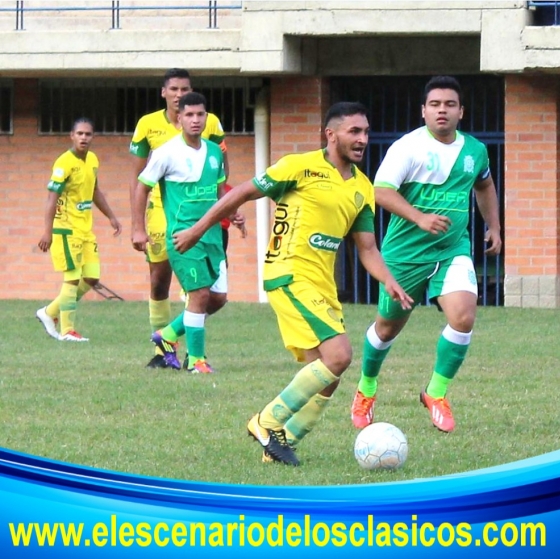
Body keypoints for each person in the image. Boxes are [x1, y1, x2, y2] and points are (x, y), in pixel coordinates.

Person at [172, 102, 412, 465]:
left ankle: (282, 446)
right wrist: (197, 229)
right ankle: (266, 423)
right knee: (340, 355)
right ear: (331, 135)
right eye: (354, 132)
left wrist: (389, 281)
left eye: (365, 132)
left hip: (321, 284)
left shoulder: (363, 188)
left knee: (327, 374)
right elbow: (240, 194)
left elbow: (367, 248)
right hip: (289, 272)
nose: (363, 139)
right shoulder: (299, 166)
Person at [350, 76, 502, 433]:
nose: (442, 111)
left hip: (453, 249)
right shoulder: (408, 148)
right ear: (423, 111)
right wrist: (419, 217)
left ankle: (436, 392)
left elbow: (484, 185)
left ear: (461, 111)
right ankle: (366, 388)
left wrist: (493, 225)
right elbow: (381, 191)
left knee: (463, 317)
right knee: (387, 328)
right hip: (405, 252)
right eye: (434, 105)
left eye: (449, 104)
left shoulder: (475, 151)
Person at [131, 92, 245, 374]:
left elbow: (219, 190)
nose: (195, 120)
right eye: (189, 115)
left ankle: (167, 334)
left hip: (213, 236)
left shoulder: (215, 152)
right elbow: (141, 187)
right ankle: (196, 361)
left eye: (200, 115)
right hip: (183, 237)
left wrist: (232, 212)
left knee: (218, 299)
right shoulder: (166, 152)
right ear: (179, 118)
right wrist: (138, 229)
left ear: (206, 118)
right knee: (199, 295)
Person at [36, 118, 122, 342]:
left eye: (88, 134)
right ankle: (67, 331)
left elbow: (95, 191)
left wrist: (111, 216)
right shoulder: (64, 163)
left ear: (93, 137)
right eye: (80, 134)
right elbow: (51, 199)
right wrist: (48, 232)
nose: (84, 138)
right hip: (65, 230)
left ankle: (49, 313)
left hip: (85, 230)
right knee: (72, 279)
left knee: (92, 277)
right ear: (71, 136)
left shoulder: (92, 160)